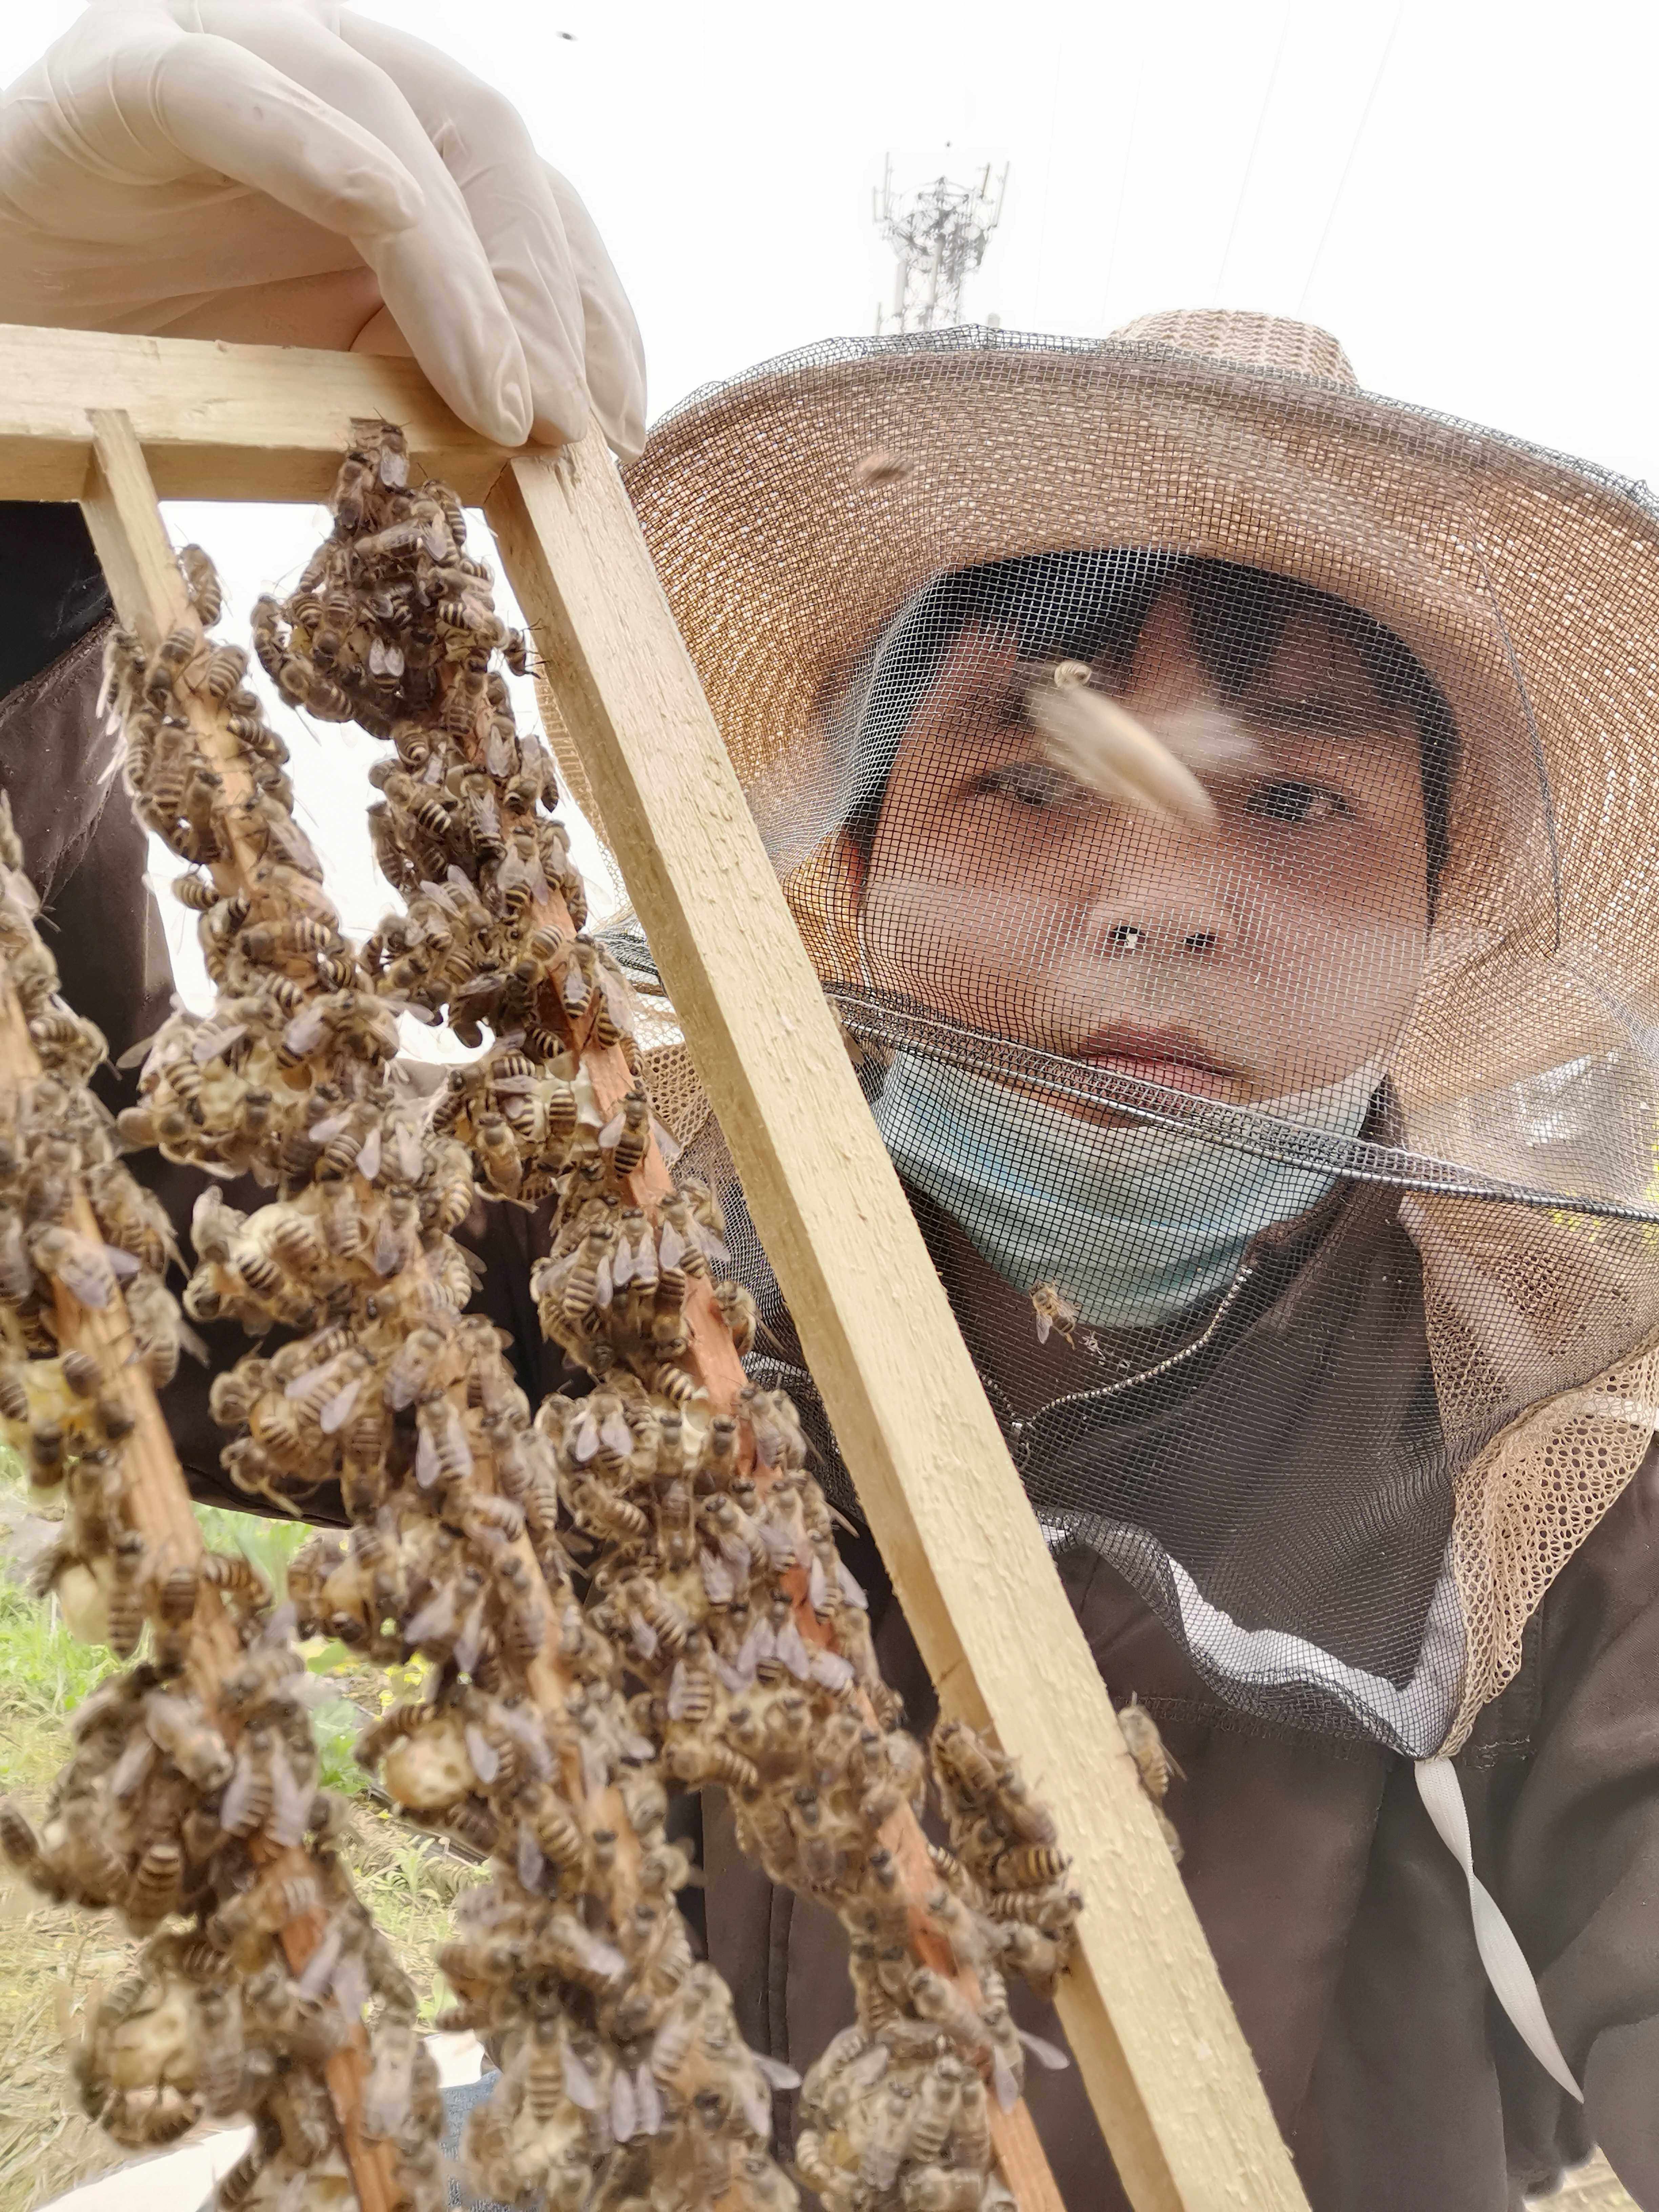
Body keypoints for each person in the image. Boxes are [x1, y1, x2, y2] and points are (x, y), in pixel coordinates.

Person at [5, 14, 1659, 2212]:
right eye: (1027, 770)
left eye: (1297, 797)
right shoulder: (613, 1249)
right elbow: (93, 1218)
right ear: (852, 879)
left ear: (1431, 922)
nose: (1162, 897)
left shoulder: (1571, 1488)